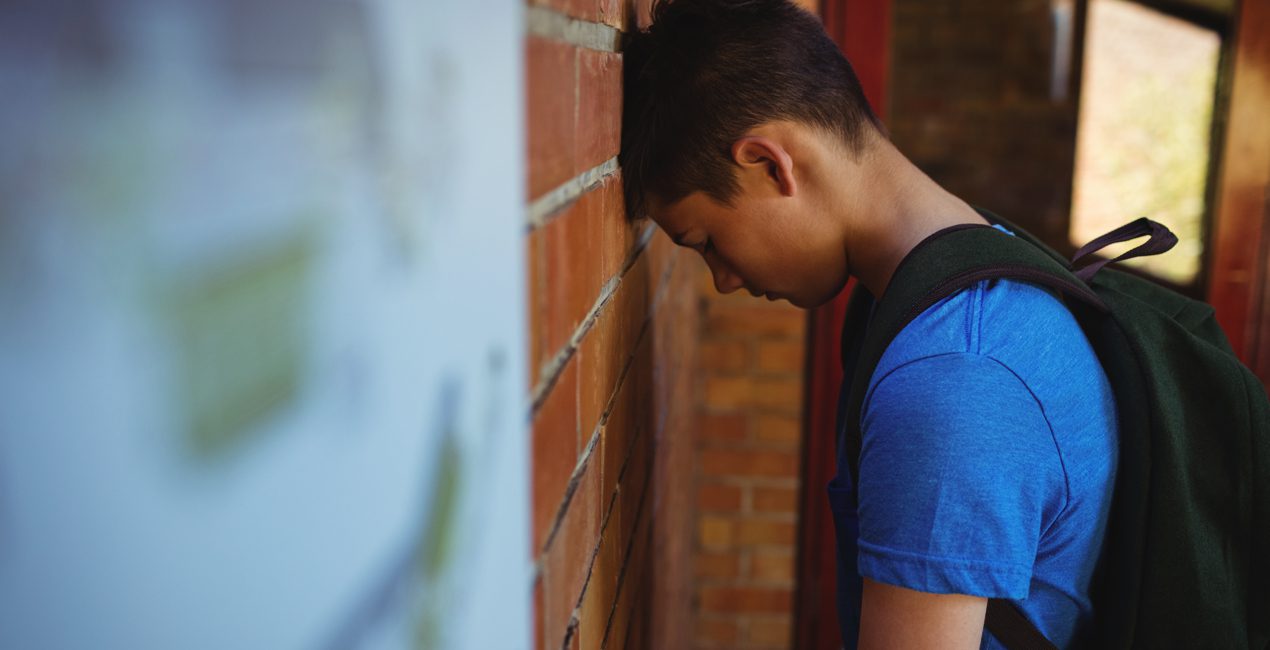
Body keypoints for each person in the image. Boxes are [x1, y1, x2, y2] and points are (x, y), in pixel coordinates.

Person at [619, 1, 1119, 648]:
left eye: (706, 240)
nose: (724, 279)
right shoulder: (980, 278)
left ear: (770, 164)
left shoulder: (956, 378)